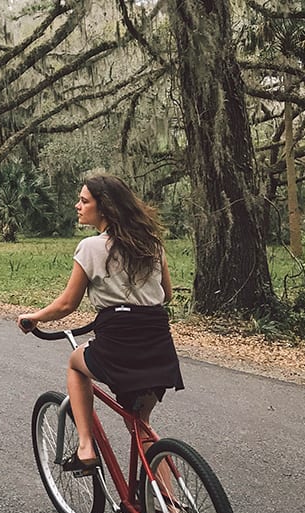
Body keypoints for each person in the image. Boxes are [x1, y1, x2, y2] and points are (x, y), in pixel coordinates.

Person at [17, 171, 183, 474]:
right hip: (158, 346)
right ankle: (170, 509)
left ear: (103, 207)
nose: (78, 206)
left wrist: (33, 318)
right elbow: (166, 294)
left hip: (119, 344)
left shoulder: (91, 247)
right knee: (141, 427)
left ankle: (84, 446)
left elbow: (68, 304)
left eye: (84, 200)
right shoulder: (152, 244)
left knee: (75, 364)